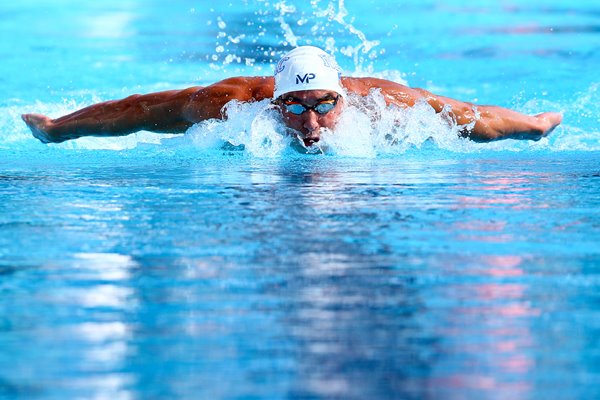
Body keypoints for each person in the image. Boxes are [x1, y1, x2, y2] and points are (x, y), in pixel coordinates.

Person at [22, 46, 562, 147]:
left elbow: (472, 117)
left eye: (325, 105)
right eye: (296, 108)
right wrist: (58, 128)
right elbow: (136, 110)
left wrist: (533, 126)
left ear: (342, 99)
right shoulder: (231, 107)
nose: (312, 122)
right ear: (275, 104)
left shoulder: (385, 107)